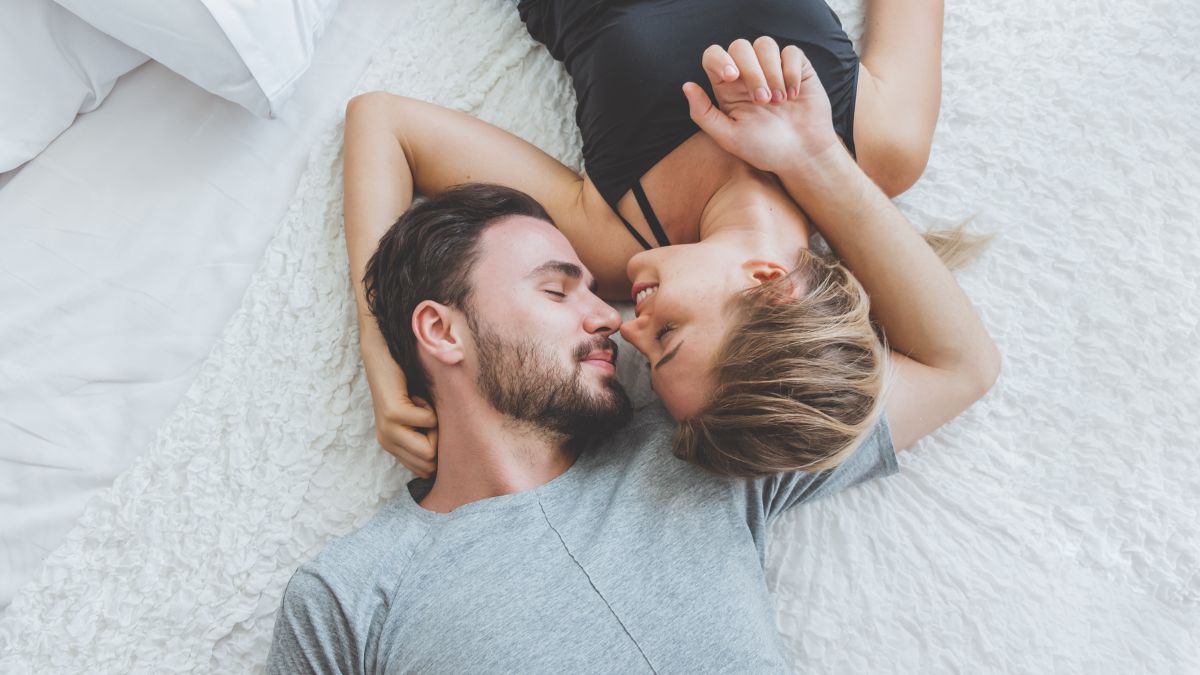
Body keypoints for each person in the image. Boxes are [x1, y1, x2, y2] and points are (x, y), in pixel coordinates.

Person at [344, 5, 1000, 481]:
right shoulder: (880, 147)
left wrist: (384, 356)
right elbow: (970, 365)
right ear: (769, 281)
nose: (629, 329)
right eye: (670, 336)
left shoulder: (609, 239)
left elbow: (385, 123)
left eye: (648, 354)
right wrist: (816, 157)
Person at [265, 181, 899, 673]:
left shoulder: (706, 448)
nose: (610, 317)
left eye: (596, 292)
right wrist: (381, 370)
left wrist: (816, 157)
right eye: (557, 292)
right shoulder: (347, 597)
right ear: (441, 331)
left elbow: (959, 364)